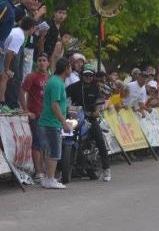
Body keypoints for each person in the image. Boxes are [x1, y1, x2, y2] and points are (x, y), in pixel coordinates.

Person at [66, 64, 112, 182]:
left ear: (93, 77)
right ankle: (62, 170)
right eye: (86, 75)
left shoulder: (96, 88)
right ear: (82, 75)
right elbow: (63, 96)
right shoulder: (73, 87)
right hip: (75, 116)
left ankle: (106, 168)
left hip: (90, 117)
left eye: (90, 75)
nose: (88, 77)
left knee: (99, 139)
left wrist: (97, 111)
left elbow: (100, 100)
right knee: (63, 137)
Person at [37, 58, 73, 189]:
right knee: (54, 151)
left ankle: (48, 177)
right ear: (65, 68)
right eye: (70, 67)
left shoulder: (54, 81)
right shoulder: (57, 83)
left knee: (50, 150)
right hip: (51, 122)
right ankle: (50, 178)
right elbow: (55, 104)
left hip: (49, 121)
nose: (71, 70)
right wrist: (63, 122)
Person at [20, 53, 50, 182]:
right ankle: (38, 172)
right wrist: (26, 110)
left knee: (46, 145)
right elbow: (21, 92)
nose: (42, 62)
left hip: (48, 116)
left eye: (44, 60)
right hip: (36, 115)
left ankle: (46, 170)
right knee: (37, 144)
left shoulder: (50, 77)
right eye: (39, 60)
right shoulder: (31, 76)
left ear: (48, 63)